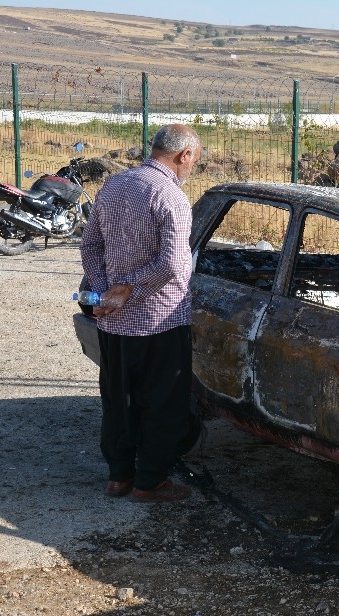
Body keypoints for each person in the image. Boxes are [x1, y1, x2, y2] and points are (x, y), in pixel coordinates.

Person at [80, 124, 202, 502]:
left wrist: (105, 293)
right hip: (158, 322)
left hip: (112, 322)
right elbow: (172, 265)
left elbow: (90, 244)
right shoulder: (172, 198)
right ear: (183, 156)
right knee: (162, 404)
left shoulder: (115, 185)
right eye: (194, 160)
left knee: (118, 399)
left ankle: (119, 477)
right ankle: (150, 482)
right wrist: (129, 288)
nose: (192, 167)